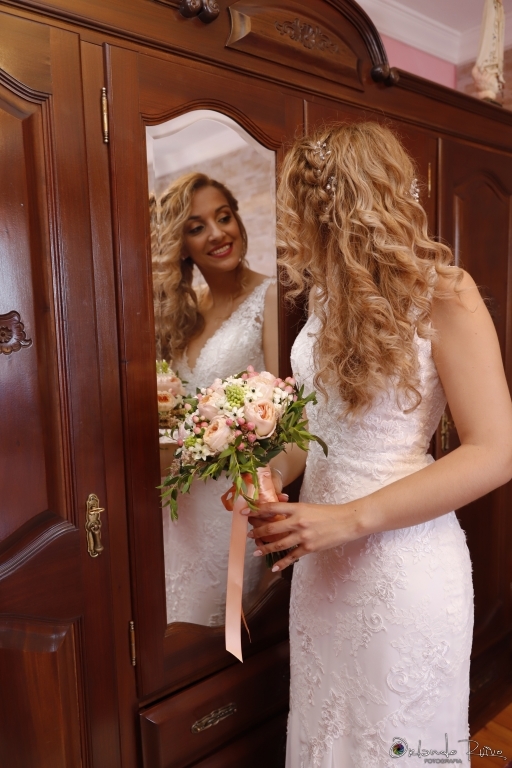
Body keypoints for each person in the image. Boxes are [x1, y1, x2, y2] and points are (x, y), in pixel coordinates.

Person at [246, 123, 512, 767]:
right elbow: (323, 432)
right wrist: (271, 470)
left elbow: (496, 452)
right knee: (329, 733)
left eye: (313, 211)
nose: (302, 229)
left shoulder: (445, 294)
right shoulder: (325, 295)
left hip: (402, 566)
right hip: (322, 566)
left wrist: (347, 520)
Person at [154, 172, 278, 626]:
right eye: (197, 226)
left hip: (233, 498)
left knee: (222, 629)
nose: (217, 233)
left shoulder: (271, 297)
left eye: (223, 218)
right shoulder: (184, 313)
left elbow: (285, 407)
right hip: (181, 504)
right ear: (182, 244)